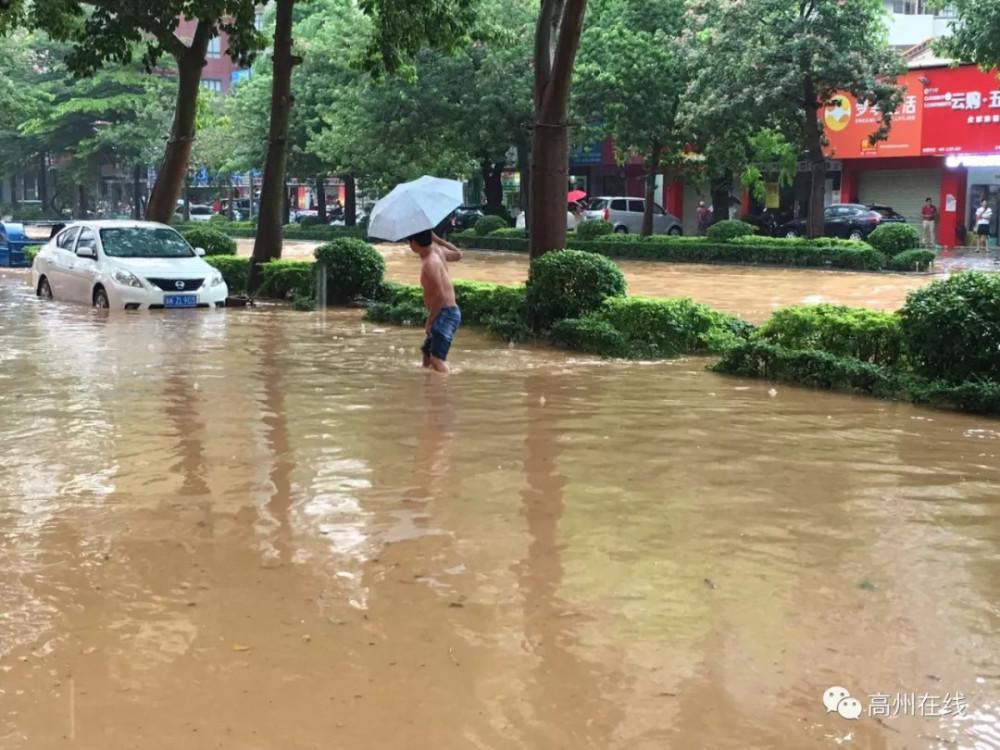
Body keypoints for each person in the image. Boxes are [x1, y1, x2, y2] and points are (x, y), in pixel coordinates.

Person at [409, 229, 462, 373]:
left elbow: (440, 295)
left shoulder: (429, 263)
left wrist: (429, 321)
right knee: (427, 355)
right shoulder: (438, 252)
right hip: (446, 312)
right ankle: (430, 389)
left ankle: (444, 389)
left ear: (413, 243)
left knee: (437, 360)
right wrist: (438, 240)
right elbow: (458, 254)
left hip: (445, 313)